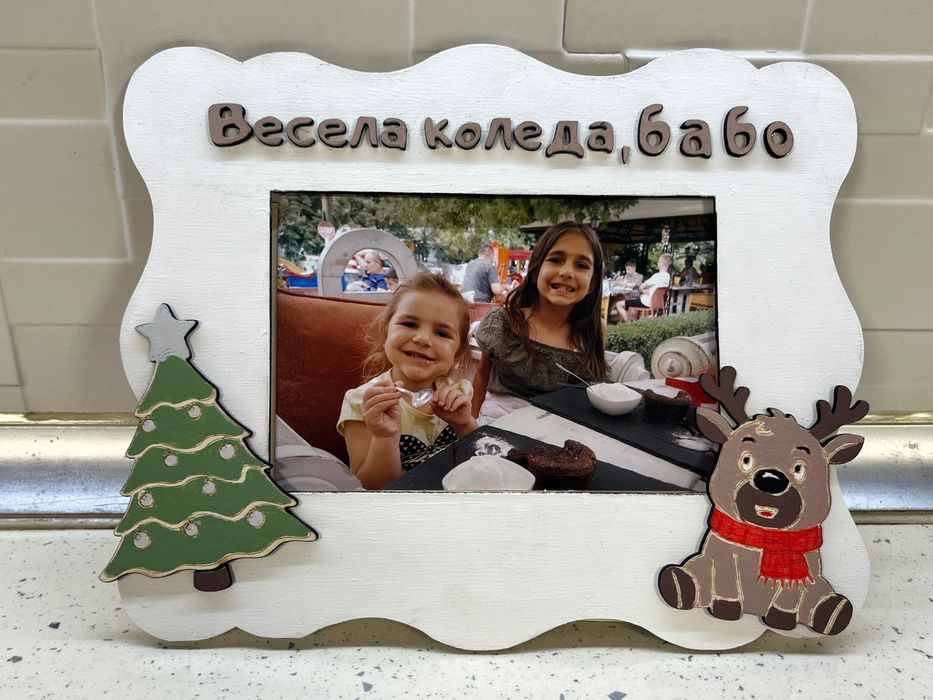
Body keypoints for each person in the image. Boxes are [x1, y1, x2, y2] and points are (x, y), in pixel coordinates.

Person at [338, 272, 479, 489]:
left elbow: (478, 458)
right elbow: (371, 487)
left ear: (457, 353)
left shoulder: (460, 391)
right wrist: (385, 439)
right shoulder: (361, 403)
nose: (423, 339)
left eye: (442, 333)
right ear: (386, 333)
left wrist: (464, 424)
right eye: (410, 324)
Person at [471, 221, 608, 424]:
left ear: (593, 283)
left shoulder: (593, 330)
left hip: (561, 428)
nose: (567, 272)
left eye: (581, 265)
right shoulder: (504, 323)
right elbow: (482, 376)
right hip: (498, 424)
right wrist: (469, 429)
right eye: (556, 260)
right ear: (535, 271)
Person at [615, 252, 673, 323]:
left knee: (618, 304)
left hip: (646, 302)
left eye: (658, 261)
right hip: (657, 303)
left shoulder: (657, 276)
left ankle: (628, 323)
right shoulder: (667, 276)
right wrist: (647, 291)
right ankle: (633, 320)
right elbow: (656, 290)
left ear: (662, 263)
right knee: (633, 300)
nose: (658, 263)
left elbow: (641, 287)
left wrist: (644, 290)